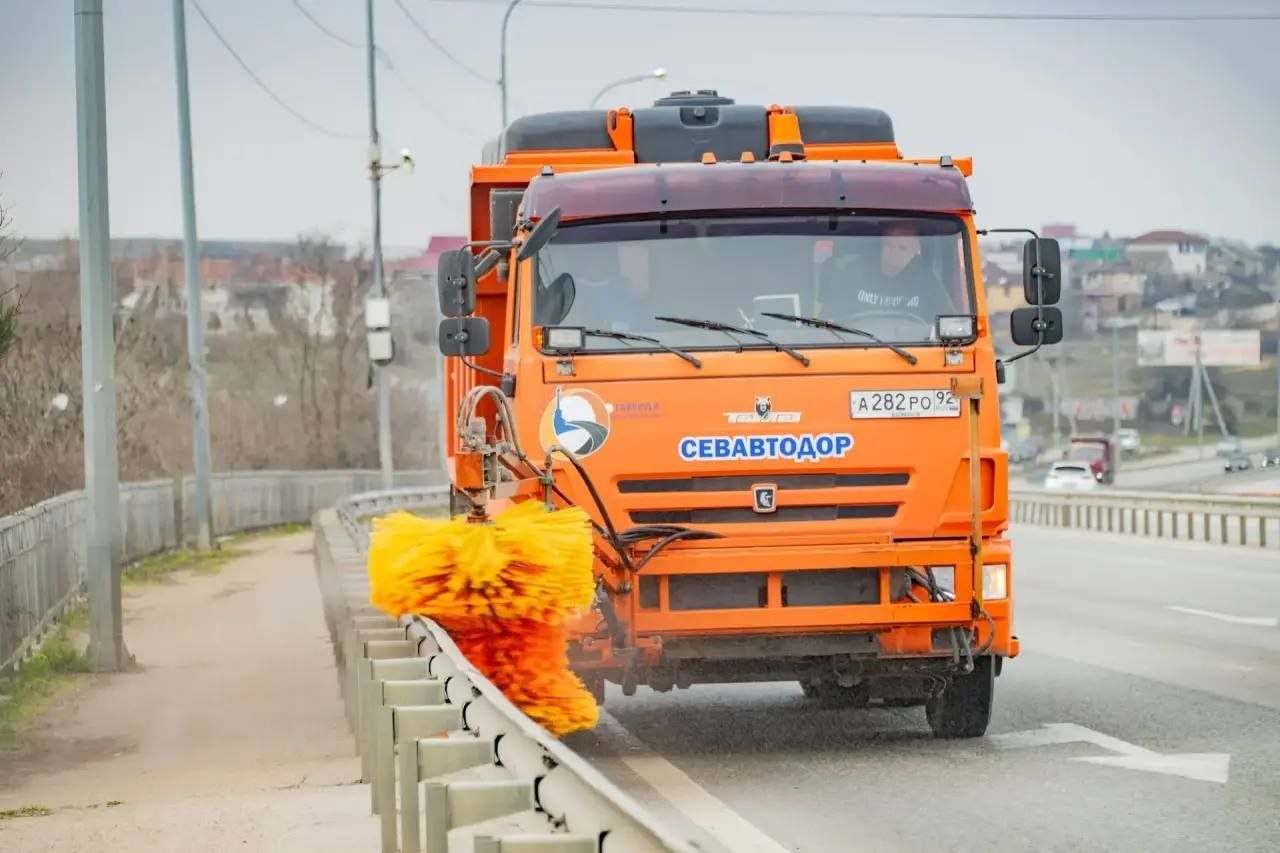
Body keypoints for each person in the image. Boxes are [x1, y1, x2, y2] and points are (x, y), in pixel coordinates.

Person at [822, 223, 958, 328]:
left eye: (902, 248)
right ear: (881, 245)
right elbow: (828, 318)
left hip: (911, 350)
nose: (893, 253)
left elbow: (949, 323)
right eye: (888, 245)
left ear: (914, 252)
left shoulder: (926, 280)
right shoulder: (853, 273)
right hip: (857, 348)